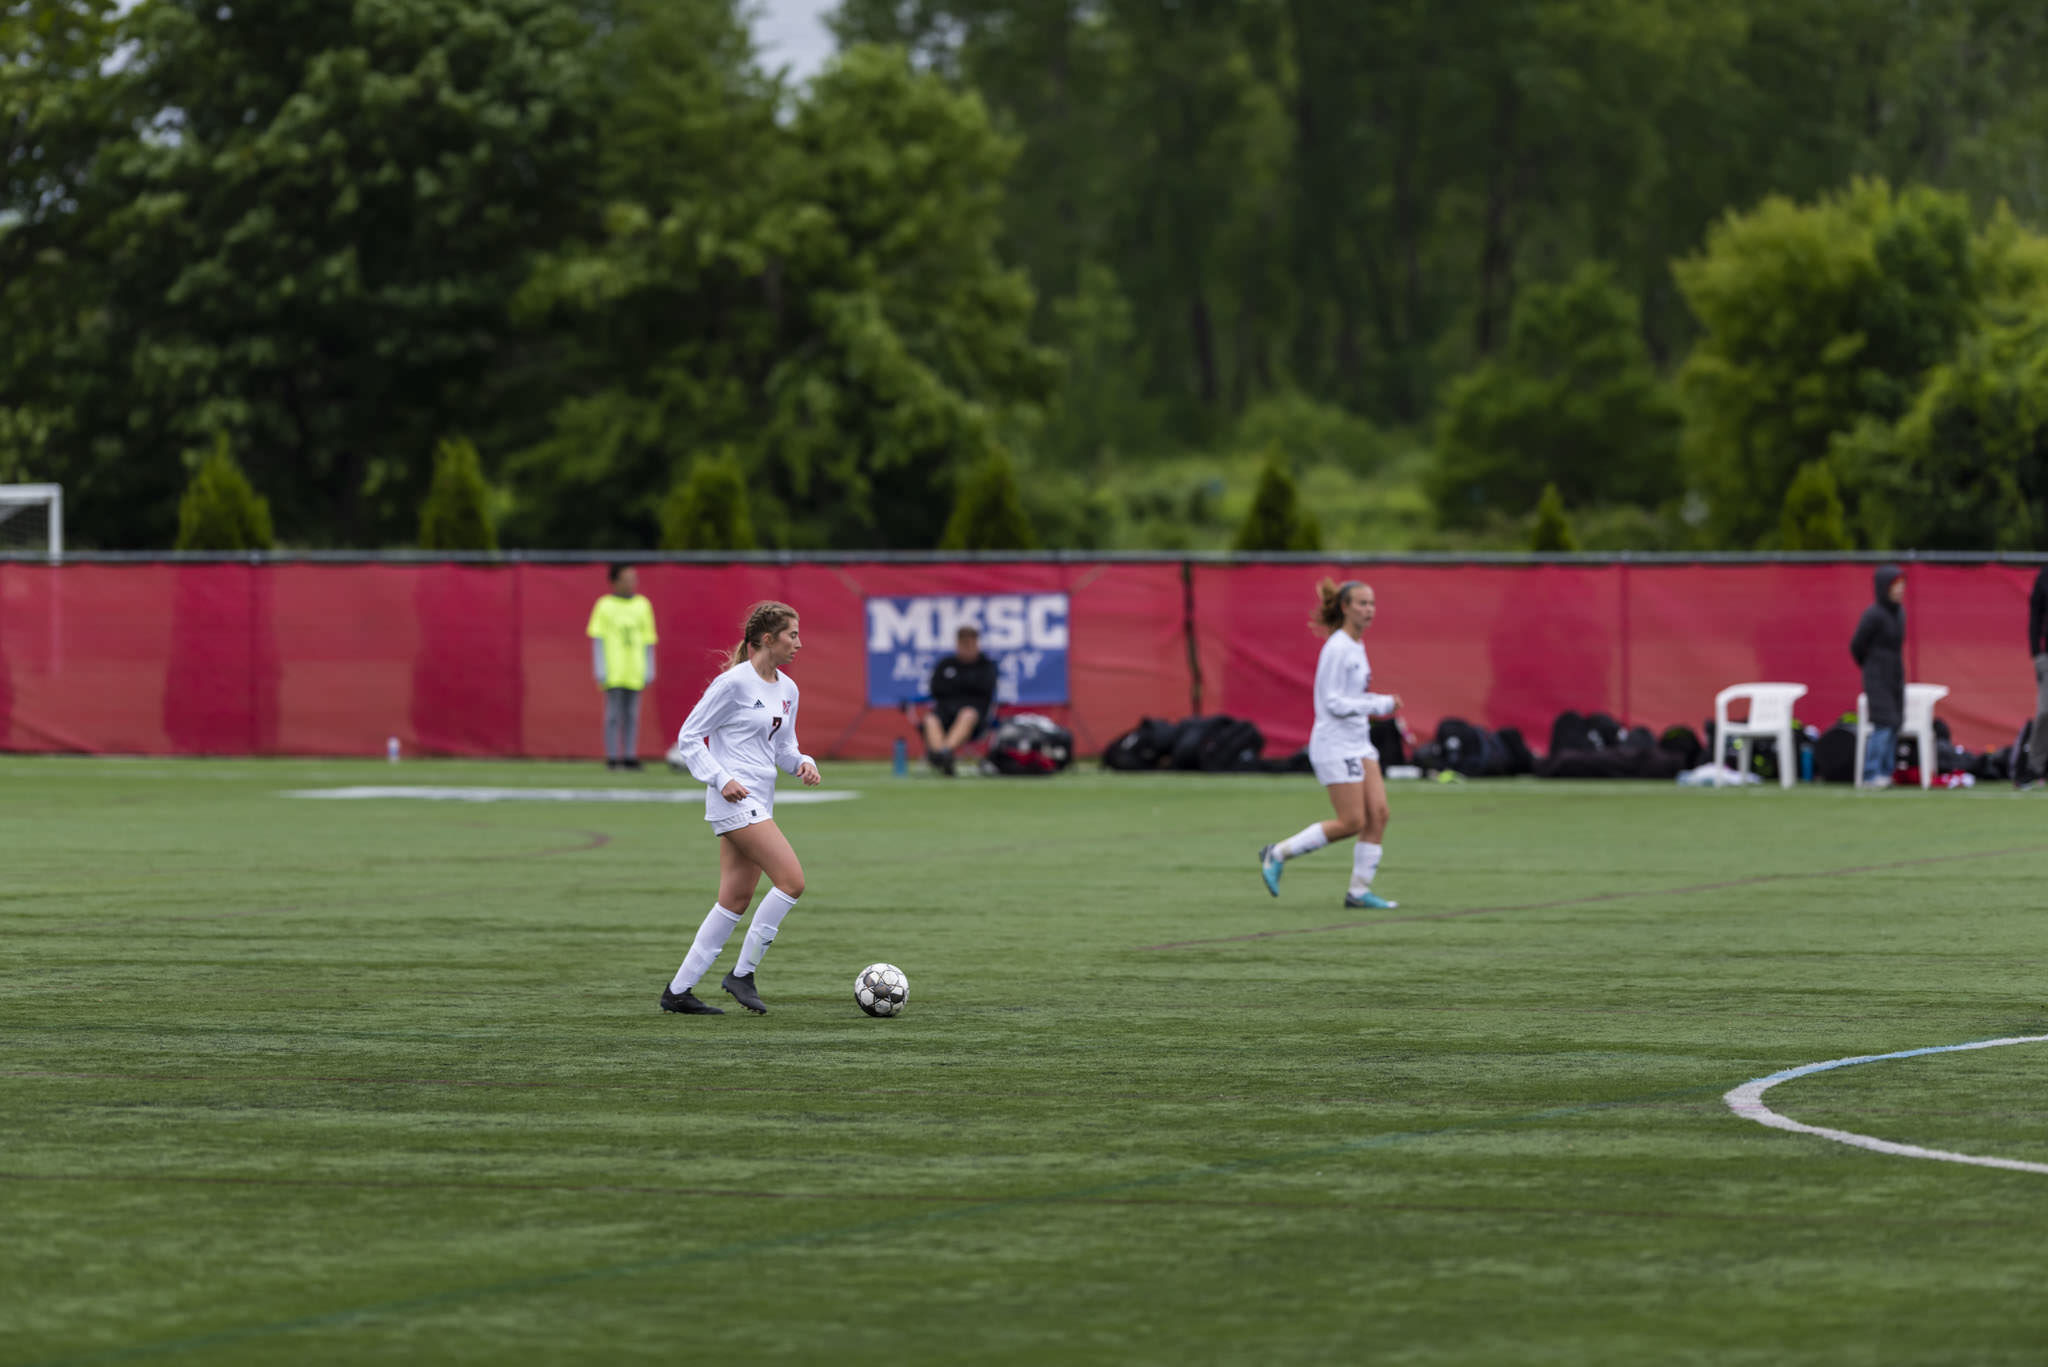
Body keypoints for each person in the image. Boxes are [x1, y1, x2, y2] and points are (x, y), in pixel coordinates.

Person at [659, 601, 821, 1016]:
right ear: (767, 639)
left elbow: (784, 748)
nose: (799, 644)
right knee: (792, 881)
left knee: (734, 899)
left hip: (760, 801)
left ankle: (678, 992)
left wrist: (804, 763)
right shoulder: (732, 684)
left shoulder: (788, 689)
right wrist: (720, 777)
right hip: (735, 801)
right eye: (792, 635)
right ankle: (742, 974)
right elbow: (690, 736)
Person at [1258, 579, 1402, 909]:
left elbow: (1352, 697)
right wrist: (1377, 706)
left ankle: (1359, 892)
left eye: (1372, 604)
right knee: (1351, 822)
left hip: (1358, 741)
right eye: (1362, 604)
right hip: (1335, 744)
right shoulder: (1337, 648)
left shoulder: (1356, 646)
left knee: (1378, 814)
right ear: (1344, 608)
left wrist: (1380, 704)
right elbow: (1333, 702)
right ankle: (1276, 853)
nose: (1369, 610)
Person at [587, 564, 658, 770]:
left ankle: (629, 755)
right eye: (627, 578)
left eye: (633, 578)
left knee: (632, 715)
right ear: (615, 582)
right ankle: (612, 756)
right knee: (613, 715)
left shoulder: (643, 605)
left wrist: (649, 667)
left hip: (634, 668)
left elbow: (648, 639)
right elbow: (598, 638)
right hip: (614, 669)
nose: (631, 583)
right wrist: (600, 668)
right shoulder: (604, 605)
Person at [1850, 566, 1905, 789]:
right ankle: (1871, 774)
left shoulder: (1900, 613)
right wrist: (1871, 665)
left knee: (1895, 723)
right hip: (1876, 677)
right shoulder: (1873, 615)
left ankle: (1886, 771)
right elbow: (1856, 645)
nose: (1900, 590)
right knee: (1883, 723)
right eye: (1895, 586)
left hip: (1895, 675)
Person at [921, 624, 1000, 775]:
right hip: (945, 713)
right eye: (963, 644)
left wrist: (956, 686)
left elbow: (984, 689)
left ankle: (944, 752)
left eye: (970, 644)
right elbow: (936, 689)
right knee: (930, 719)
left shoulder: (986, 666)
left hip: (974, 718)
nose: (967, 648)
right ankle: (942, 757)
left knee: (967, 714)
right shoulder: (946, 664)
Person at [2026, 566, 2048, 787]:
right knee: (2045, 711)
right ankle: (2035, 766)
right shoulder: (2044, 576)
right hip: (2047, 655)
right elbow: (2035, 614)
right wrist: (2036, 652)